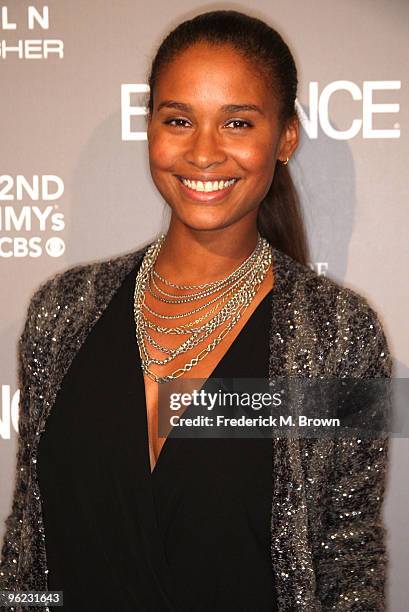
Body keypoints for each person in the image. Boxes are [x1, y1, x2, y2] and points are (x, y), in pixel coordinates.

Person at [0, 9, 392, 612]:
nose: (203, 153)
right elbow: (32, 544)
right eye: (178, 119)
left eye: (237, 122)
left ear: (285, 137)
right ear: (151, 127)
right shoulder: (62, 311)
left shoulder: (341, 332)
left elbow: (348, 555)